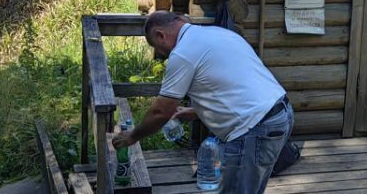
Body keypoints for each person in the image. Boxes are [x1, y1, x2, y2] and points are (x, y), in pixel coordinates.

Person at [112, 11, 293, 194]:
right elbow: (233, 85)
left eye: (156, 47)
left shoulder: (183, 52)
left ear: (160, 35)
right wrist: (194, 111)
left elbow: (161, 112)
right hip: (280, 114)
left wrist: (132, 137)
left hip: (254, 129)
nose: (160, 54)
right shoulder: (218, 33)